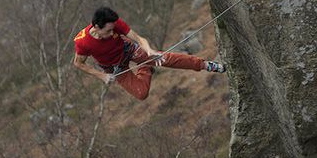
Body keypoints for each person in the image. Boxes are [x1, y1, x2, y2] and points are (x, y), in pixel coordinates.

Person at [73, 7, 226, 100]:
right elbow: (78, 63)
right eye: (108, 31)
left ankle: (205, 64)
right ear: (97, 27)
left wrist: (149, 51)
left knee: (164, 58)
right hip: (113, 67)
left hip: (128, 50)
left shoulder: (115, 23)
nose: (113, 32)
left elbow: (139, 38)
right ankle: (146, 67)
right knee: (141, 94)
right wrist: (102, 76)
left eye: (113, 29)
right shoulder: (83, 42)